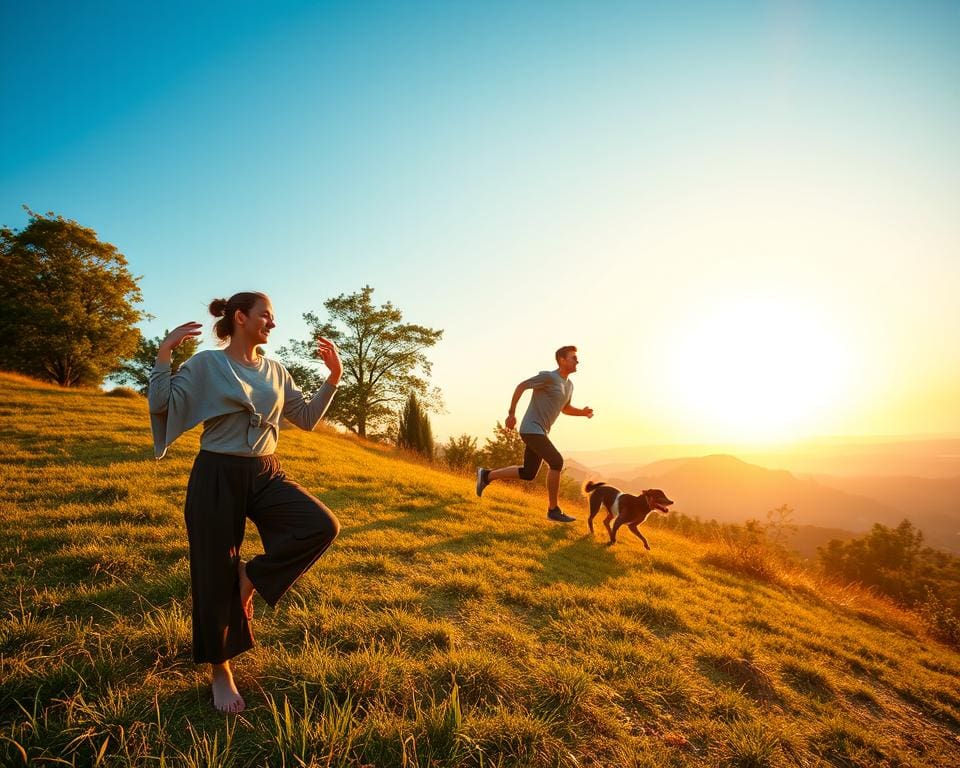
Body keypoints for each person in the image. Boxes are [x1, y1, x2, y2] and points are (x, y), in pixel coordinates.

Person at [148, 291, 342, 714]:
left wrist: (333, 378)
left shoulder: (276, 369)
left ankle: (250, 576)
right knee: (212, 573)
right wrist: (165, 354)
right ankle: (222, 671)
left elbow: (305, 419)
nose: (272, 324)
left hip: (265, 471)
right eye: (266, 316)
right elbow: (161, 404)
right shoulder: (207, 364)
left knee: (320, 526)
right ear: (241, 317)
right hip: (217, 473)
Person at [475, 346, 593, 522]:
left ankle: (486, 475)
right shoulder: (549, 377)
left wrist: (582, 413)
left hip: (540, 431)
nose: (577, 361)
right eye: (573, 358)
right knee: (556, 461)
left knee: (529, 473)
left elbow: (565, 408)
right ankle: (553, 510)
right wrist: (511, 413)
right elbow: (522, 386)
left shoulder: (569, 385)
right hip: (531, 428)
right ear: (562, 360)